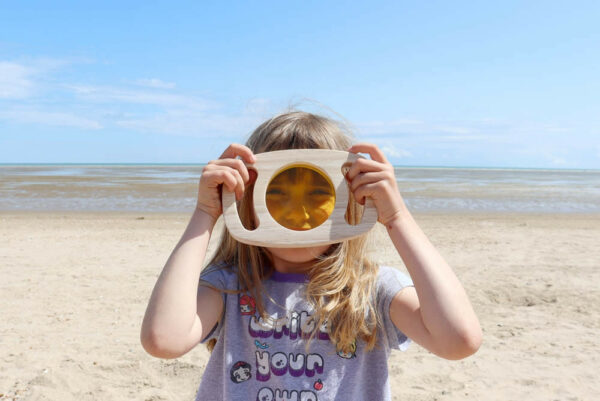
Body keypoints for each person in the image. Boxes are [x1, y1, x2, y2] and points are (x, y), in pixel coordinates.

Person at [140, 111, 482, 401]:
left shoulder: (371, 290)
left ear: (349, 199)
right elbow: (163, 339)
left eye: (318, 191)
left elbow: (458, 341)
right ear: (248, 198)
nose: (298, 212)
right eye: (278, 192)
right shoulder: (230, 285)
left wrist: (397, 219)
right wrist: (205, 212)